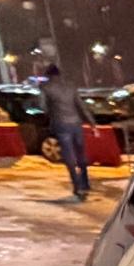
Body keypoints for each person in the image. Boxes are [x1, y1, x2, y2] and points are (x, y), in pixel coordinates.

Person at [39, 52, 88, 200]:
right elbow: (81, 106)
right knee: (81, 153)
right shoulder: (71, 86)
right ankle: (85, 182)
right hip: (76, 123)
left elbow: (43, 107)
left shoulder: (45, 87)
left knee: (69, 155)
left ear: (48, 75)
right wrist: (92, 123)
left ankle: (77, 187)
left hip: (61, 124)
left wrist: (51, 113)